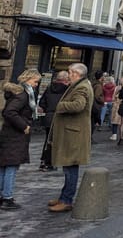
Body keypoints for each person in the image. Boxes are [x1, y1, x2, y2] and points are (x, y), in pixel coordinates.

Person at [48, 62, 94, 212]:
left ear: (76, 73)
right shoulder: (80, 85)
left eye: (69, 72)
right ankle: (64, 197)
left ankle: (66, 200)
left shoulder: (82, 87)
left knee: (70, 168)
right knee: (68, 168)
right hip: (72, 133)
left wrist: (60, 106)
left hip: (73, 134)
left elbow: (79, 105)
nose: (68, 75)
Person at [0, 69, 41, 210]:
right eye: (35, 81)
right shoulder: (23, 95)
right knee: (11, 166)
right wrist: (24, 126)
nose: (36, 84)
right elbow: (9, 112)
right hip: (15, 136)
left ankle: (3, 196)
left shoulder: (19, 93)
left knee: (4, 166)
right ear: (28, 79)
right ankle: (7, 197)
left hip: (9, 134)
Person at [38, 70, 69, 171]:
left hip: (49, 117)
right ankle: (49, 162)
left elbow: (42, 103)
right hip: (60, 117)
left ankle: (44, 161)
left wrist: (47, 109)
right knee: (55, 141)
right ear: (65, 79)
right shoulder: (67, 90)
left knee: (48, 139)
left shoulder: (49, 88)